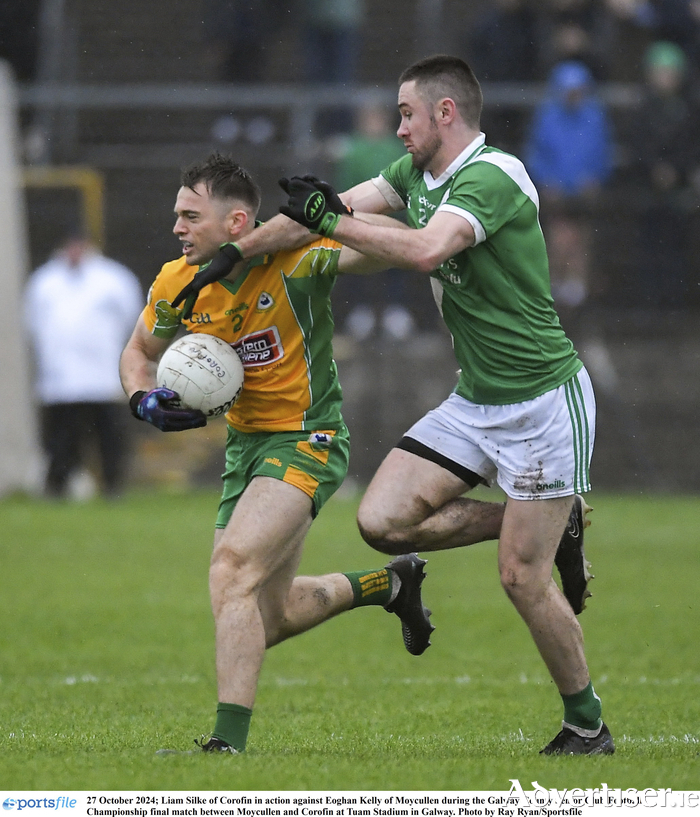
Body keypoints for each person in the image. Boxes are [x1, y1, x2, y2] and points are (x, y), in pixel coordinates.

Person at [274, 55, 613, 755]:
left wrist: (328, 221)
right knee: (382, 519)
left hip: (545, 403)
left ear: (446, 113)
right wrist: (233, 252)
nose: (398, 128)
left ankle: (587, 723)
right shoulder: (412, 175)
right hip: (477, 399)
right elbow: (327, 212)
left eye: (406, 114)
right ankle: (557, 523)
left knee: (522, 575)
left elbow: (426, 249)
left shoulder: (495, 175)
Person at [119, 153, 433, 754]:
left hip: (308, 438)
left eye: (191, 216)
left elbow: (401, 242)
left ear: (237, 223)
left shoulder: (299, 260)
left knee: (231, 571)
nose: (177, 228)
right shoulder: (176, 282)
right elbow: (138, 351)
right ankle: (387, 586)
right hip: (245, 447)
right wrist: (143, 400)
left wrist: (327, 219)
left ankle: (226, 746)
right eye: (176, 216)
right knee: (264, 619)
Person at [24, 231, 143, 499]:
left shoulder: (113, 278)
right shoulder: (45, 281)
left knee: (108, 436)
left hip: (103, 375)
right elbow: (31, 323)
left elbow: (132, 319)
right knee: (61, 439)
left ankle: (113, 487)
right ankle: (57, 487)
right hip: (59, 379)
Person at [523, 60, 613, 317]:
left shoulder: (594, 116)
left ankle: (576, 288)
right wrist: (547, 180)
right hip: (557, 192)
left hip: (584, 193)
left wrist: (595, 177)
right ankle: (556, 285)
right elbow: (537, 153)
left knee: (581, 237)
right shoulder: (547, 116)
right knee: (559, 237)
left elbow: (602, 153)